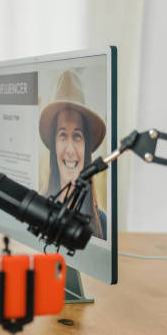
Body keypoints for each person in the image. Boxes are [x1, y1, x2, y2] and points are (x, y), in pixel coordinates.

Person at [38, 69, 107, 239]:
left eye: (77, 136)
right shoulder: (37, 210)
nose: (69, 149)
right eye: (62, 135)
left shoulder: (102, 222)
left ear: (87, 145)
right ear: (54, 144)